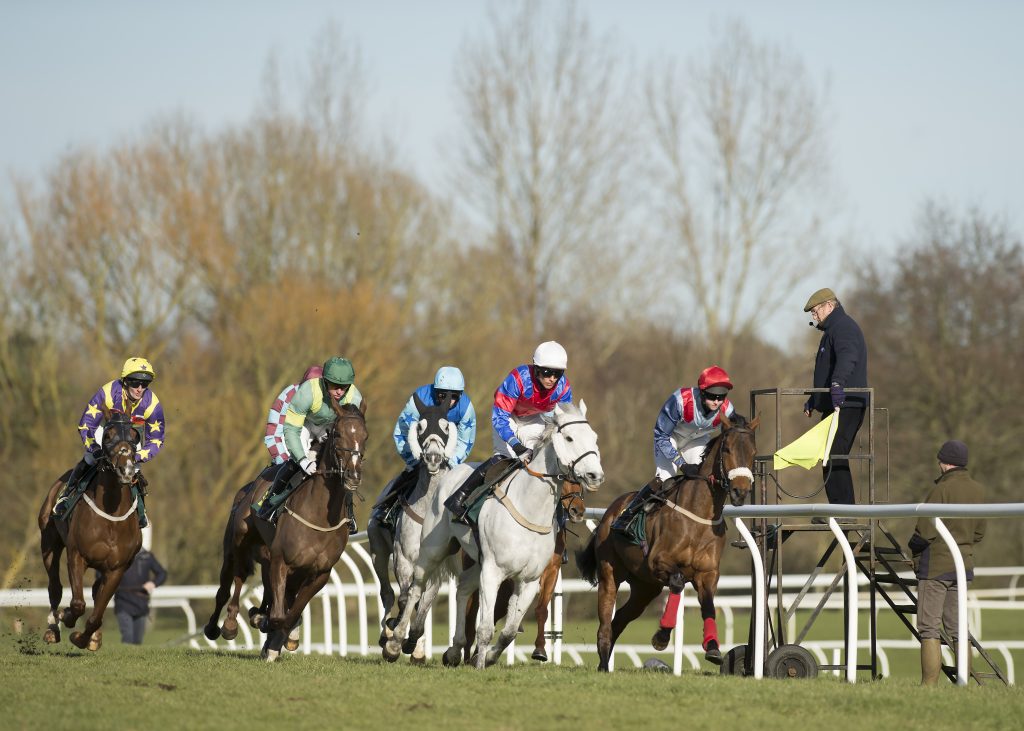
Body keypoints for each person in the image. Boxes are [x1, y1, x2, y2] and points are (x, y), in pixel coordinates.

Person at [444, 341, 572, 523]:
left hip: (534, 419)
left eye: (557, 374)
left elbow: (563, 422)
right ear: (536, 369)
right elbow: (499, 417)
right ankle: (460, 497)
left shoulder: (564, 388)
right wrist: (515, 444)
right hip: (507, 417)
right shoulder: (519, 378)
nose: (552, 378)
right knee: (505, 457)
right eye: (547, 372)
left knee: (540, 460)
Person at [613, 365, 735, 532]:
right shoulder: (680, 401)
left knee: (703, 478)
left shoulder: (727, 409)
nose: (717, 401)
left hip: (697, 440)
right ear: (702, 392)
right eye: (713, 396)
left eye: (721, 397)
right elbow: (661, 436)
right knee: (665, 478)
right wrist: (682, 464)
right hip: (669, 438)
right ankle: (628, 516)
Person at [908, 440, 986, 686]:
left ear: (945, 463)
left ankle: (928, 685)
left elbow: (924, 531)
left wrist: (912, 546)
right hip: (963, 566)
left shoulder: (940, 490)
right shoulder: (978, 490)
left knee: (928, 627)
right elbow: (979, 533)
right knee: (958, 628)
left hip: (936, 567)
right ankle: (963, 683)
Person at [53, 357, 166, 526]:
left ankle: (140, 510)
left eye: (145, 384)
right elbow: (86, 425)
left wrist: (139, 456)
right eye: (135, 383)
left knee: (133, 468)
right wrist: (94, 448)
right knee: (90, 459)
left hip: (131, 439)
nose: (140, 388)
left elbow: (156, 438)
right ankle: (66, 496)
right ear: (125, 381)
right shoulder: (107, 393)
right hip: (107, 434)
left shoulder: (152, 402)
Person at [255, 356, 364, 522]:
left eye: (344, 387)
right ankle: (269, 503)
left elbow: (352, 433)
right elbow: (291, 429)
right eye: (335, 386)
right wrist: (302, 459)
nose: (340, 392)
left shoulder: (354, 398)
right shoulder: (308, 392)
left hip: (329, 426)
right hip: (304, 424)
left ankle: (349, 512)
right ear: (325, 381)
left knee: (343, 463)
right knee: (297, 463)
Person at [371, 367, 477, 523]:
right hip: (419, 447)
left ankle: (467, 512)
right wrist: (415, 459)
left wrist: (450, 462)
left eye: (454, 396)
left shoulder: (466, 408)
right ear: (435, 391)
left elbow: (464, 441)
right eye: (442, 395)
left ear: (460, 395)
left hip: (447, 449)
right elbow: (402, 431)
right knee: (411, 472)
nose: (449, 400)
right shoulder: (419, 398)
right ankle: (386, 508)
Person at [803, 288, 868, 505]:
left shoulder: (843, 328)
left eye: (815, 311)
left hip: (846, 404)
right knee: (828, 454)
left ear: (829, 306)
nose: (814, 316)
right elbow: (827, 371)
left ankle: (844, 511)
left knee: (834, 454)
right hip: (835, 403)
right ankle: (840, 508)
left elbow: (848, 357)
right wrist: (816, 399)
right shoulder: (832, 330)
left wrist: (838, 383)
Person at [113, 525, 167, 645]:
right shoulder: (117, 555)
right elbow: (101, 574)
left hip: (141, 603)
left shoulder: (147, 556)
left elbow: (162, 574)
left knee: (137, 642)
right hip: (123, 602)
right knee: (128, 639)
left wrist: (153, 583)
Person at [264, 365, 323, 464]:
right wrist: (284, 462)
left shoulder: (332, 399)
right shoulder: (288, 396)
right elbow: (273, 434)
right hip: (289, 452)